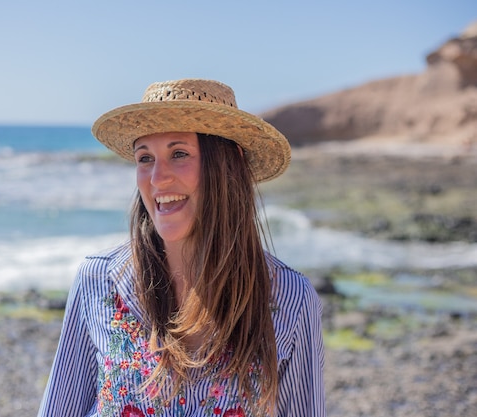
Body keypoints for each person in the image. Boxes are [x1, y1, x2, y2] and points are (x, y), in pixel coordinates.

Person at [37, 79, 325, 416]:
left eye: (179, 154)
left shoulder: (289, 300)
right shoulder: (99, 281)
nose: (157, 178)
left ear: (227, 165)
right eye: (145, 158)